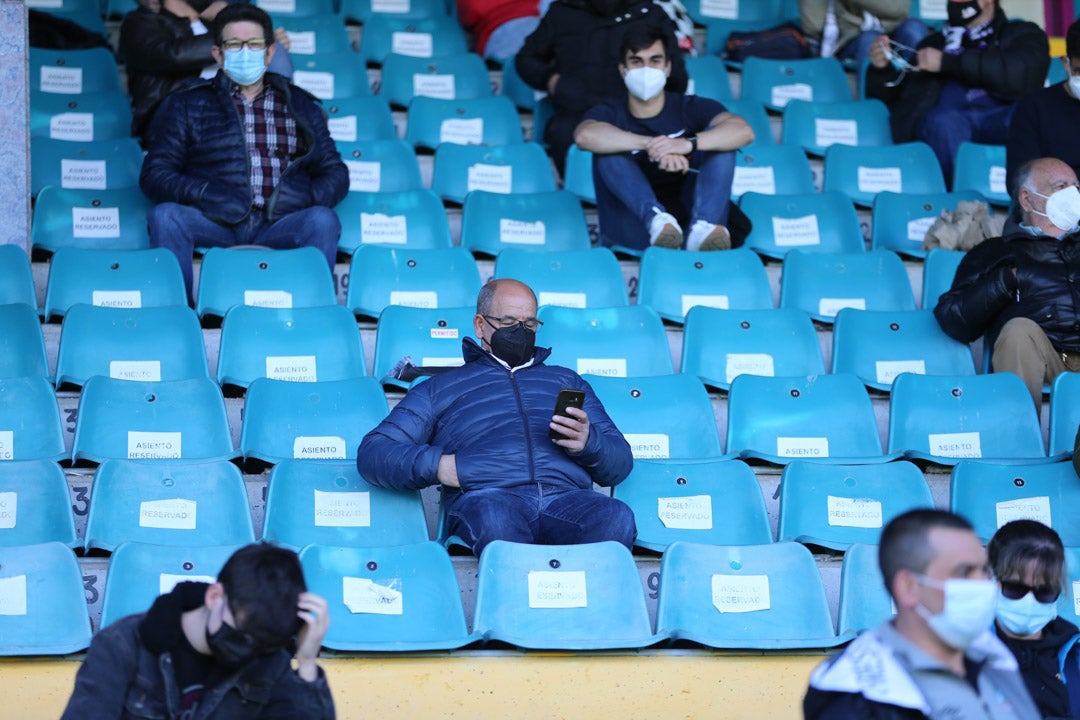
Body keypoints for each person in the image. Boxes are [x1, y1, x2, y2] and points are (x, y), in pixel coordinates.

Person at [356, 278, 637, 556]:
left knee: (616, 516)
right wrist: (442, 466)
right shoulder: (438, 387)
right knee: (494, 517)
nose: (521, 331)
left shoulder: (566, 380)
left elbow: (620, 463)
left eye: (529, 324)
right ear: (480, 325)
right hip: (490, 497)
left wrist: (589, 443)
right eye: (508, 323)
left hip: (567, 499)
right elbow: (374, 452)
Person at [139, 3, 348, 304]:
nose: (245, 52)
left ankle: (310, 315)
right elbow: (155, 173)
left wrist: (308, 196)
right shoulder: (187, 103)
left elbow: (335, 171)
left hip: (279, 220)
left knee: (321, 220)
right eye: (234, 45)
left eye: (254, 44)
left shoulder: (301, 105)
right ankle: (176, 314)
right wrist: (204, 192)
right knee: (166, 216)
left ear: (270, 53)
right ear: (218, 54)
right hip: (216, 218)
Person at [804, 509, 1041, 720]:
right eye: (964, 572)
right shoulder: (860, 693)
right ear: (909, 587)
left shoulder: (996, 659)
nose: (983, 585)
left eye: (984, 571)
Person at [60, 543, 334, 720]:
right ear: (215, 596)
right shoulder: (122, 645)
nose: (251, 648)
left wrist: (307, 662)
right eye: (244, 633)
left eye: (262, 643)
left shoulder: (267, 648)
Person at [574, 26, 753, 252]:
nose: (646, 69)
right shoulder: (609, 112)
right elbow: (584, 135)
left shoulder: (691, 106)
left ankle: (704, 227)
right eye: (636, 61)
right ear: (623, 70)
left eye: (655, 60)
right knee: (606, 149)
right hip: (634, 223)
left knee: (722, 143)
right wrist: (654, 145)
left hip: (690, 215)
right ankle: (656, 219)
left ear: (667, 68)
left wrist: (685, 145)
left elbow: (743, 131)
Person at [933, 157, 1080, 411]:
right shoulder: (995, 251)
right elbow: (953, 319)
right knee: (1018, 330)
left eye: (1076, 187)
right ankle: (1021, 440)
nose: (1072, 194)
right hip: (1043, 358)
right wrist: (1006, 278)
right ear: (1027, 199)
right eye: (1060, 187)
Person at [865, 0, 1047, 184]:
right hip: (949, 126)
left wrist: (948, 62)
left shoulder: (1021, 33)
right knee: (943, 123)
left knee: (1034, 114)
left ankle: (1030, 196)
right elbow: (898, 105)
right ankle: (958, 202)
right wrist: (881, 70)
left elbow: (1021, 74)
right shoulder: (932, 44)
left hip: (1002, 116)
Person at [515, 0, 688, 176]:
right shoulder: (563, 11)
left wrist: (652, 82)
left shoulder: (650, 14)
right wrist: (550, 78)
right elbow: (526, 58)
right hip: (576, 116)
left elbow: (677, 76)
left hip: (638, 115)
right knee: (564, 137)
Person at [120, 0, 294, 142]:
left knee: (276, 52)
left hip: (230, 102)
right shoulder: (140, 22)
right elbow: (173, 55)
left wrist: (262, 42)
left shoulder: (213, 23)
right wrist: (240, 37)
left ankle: (281, 121)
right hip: (174, 107)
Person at [988, 520, 1080, 719]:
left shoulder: (1074, 656)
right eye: (1015, 588)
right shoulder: (962, 654)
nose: (1029, 601)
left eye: (1044, 591)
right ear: (991, 581)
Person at [1006, 18, 1080, 194]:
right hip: (1053, 212)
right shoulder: (1034, 108)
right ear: (1065, 63)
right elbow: (1019, 182)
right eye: (1079, 70)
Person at [799, 0, 927, 63]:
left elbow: (898, 8)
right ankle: (872, 104)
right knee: (869, 40)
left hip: (896, 29)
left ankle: (920, 96)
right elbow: (814, 26)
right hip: (852, 37)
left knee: (914, 29)